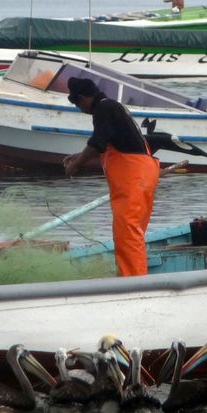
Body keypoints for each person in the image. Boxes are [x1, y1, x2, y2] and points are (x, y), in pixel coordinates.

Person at [63, 77, 160, 277]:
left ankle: (133, 286)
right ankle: (135, 278)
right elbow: (112, 146)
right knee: (133, 233)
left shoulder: (103, 109)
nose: (79, 109)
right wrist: (78, 156)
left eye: (77, 103)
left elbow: (97, 142)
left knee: (127, 235)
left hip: (134, 178)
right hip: (143, 174)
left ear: (82, 98)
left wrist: (76, 164)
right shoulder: (114, 107)